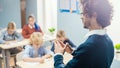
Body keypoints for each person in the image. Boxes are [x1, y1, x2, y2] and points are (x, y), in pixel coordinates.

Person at [54, 0, 114, 68]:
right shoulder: (108, 41)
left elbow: (88, 53)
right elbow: (90, 60)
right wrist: (74, 52)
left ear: (94, 15)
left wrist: (58, 55)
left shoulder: (89, 46)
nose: (81, 17)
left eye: (83, 13)